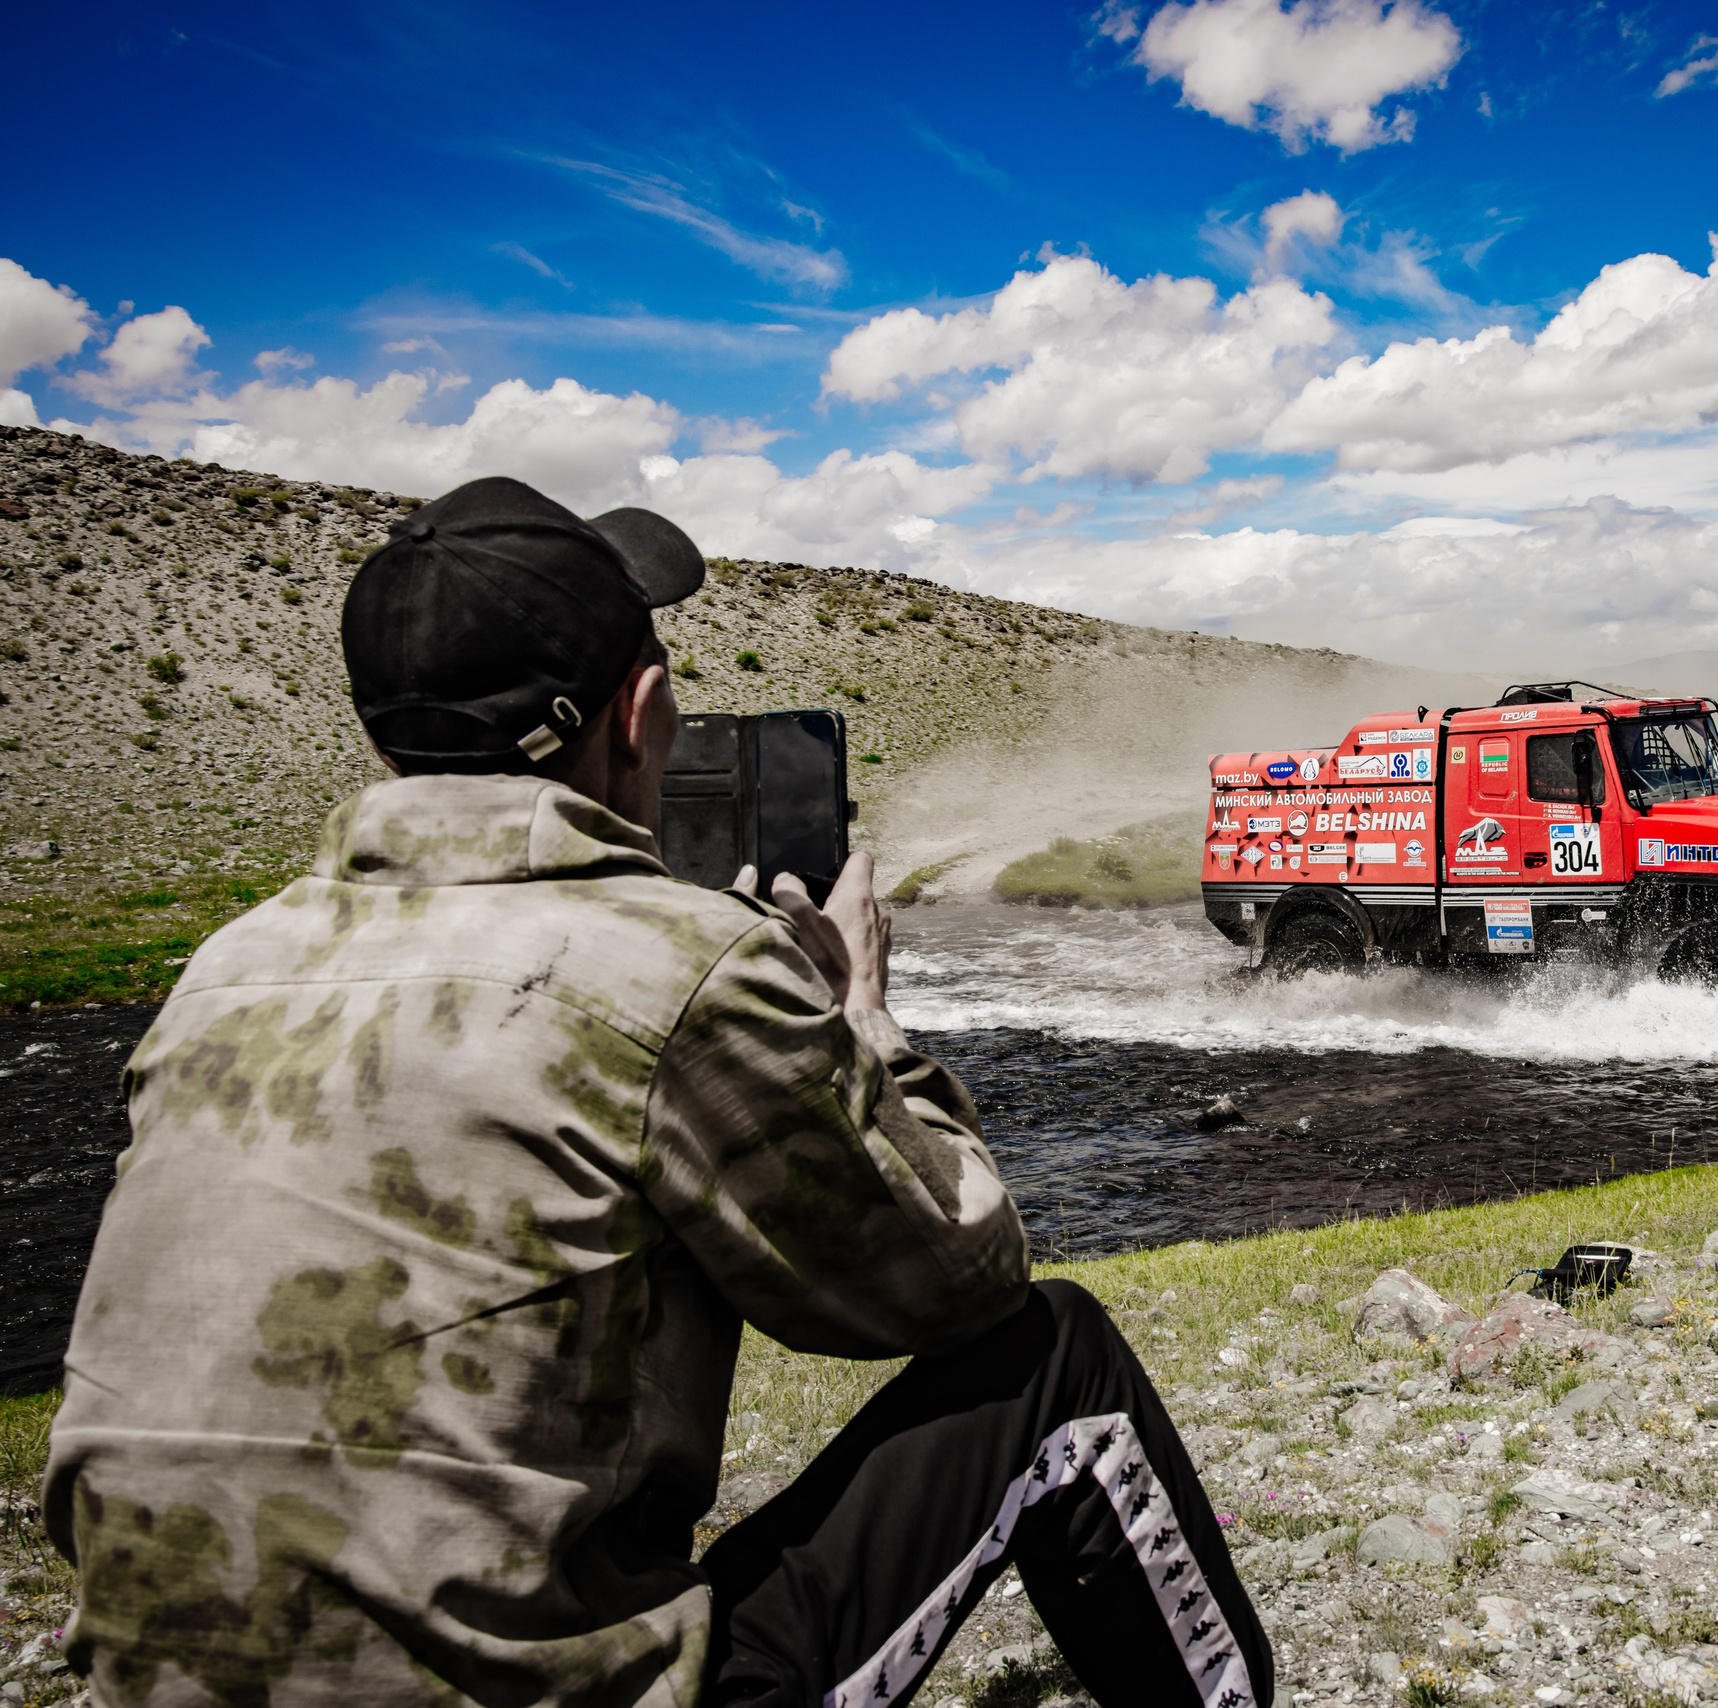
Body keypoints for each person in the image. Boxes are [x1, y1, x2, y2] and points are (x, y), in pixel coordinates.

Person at [41, 477, 1270, 1708]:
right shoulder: (676, 960)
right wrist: (861, 1021)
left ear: (383, 746)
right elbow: (951, 1278)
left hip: (155, 1686)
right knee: (1051, 1349)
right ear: (638, 716)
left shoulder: (228, 966)